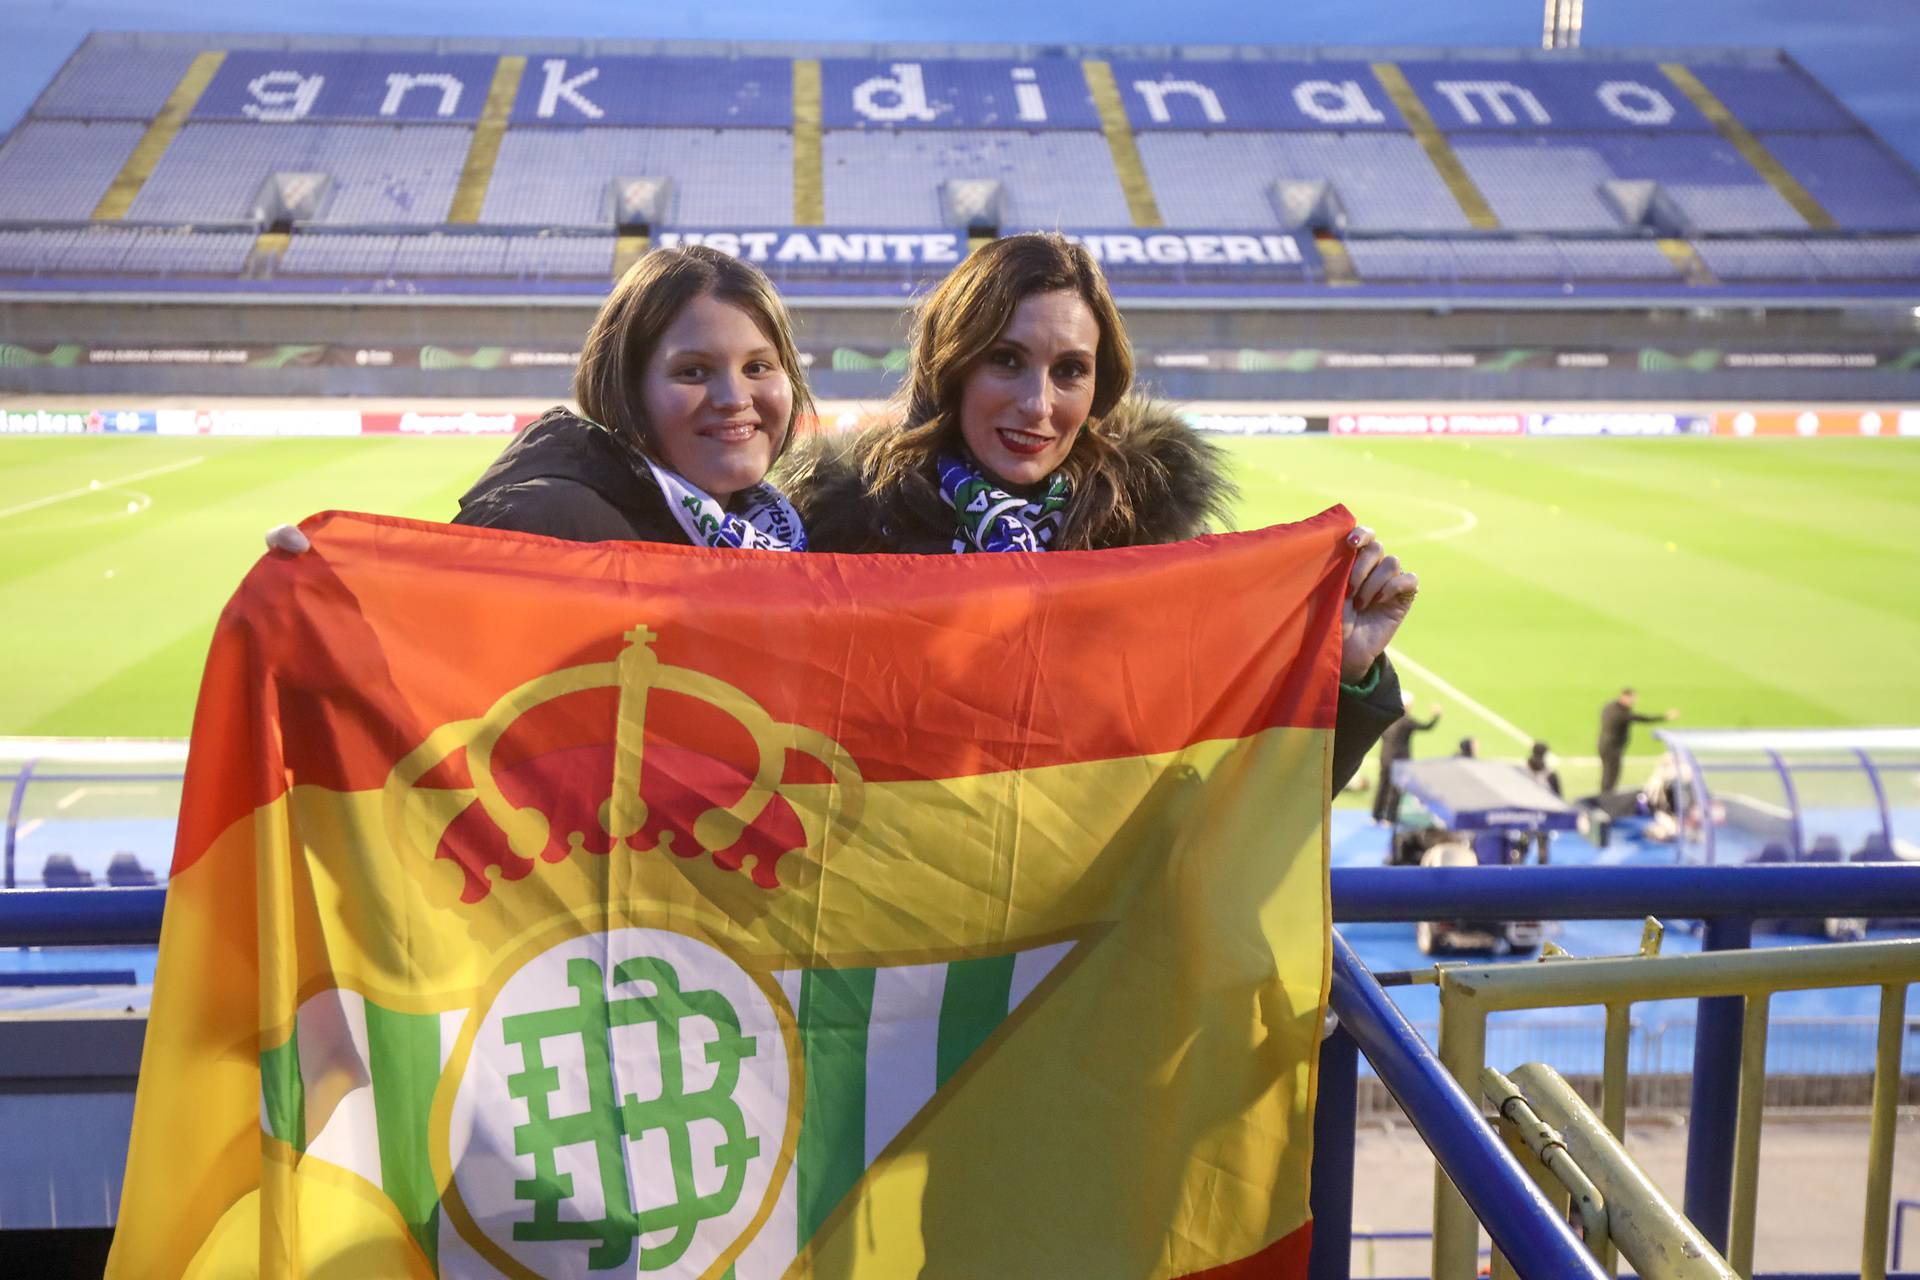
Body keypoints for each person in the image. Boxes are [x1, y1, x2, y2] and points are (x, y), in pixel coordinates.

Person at [781, 232, 1417, 791]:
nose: (1037, 405)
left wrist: (1347, 673)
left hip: (1087, 930)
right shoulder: (840, 544)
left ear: (1099, 386)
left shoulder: (1154, 552)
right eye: (1006, 360)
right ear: (950, 368)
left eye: (1070, 371)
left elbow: (1230, 806)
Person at [451, 244, 813, 548]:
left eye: (757, 367)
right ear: (626, 387)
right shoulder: (537, 527)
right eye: (693, 372)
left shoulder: (784, 529)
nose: (735, 399)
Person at [1373, 693, 1440, 824]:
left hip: (1385, 757)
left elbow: (1381, 734)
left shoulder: (1388, 718)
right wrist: (1436, 715)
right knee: (1395, 789)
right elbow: (1427, 726)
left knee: (1382, 785)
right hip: (1399, 760)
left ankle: (1376, 816)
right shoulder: (1407, 721)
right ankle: (1389, 818)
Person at [1596, 688, 1677, 795]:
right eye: (1632, 699)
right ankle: (1606, 796)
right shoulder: (1621, 713)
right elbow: (1642, 718)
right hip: (1612, 747)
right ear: (1625, 697)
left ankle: (1605, 795)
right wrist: (1664, 717)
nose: (1633, 702)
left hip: (1605, 745)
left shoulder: (1609, 707)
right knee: (1611, 774)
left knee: (1608, 773)